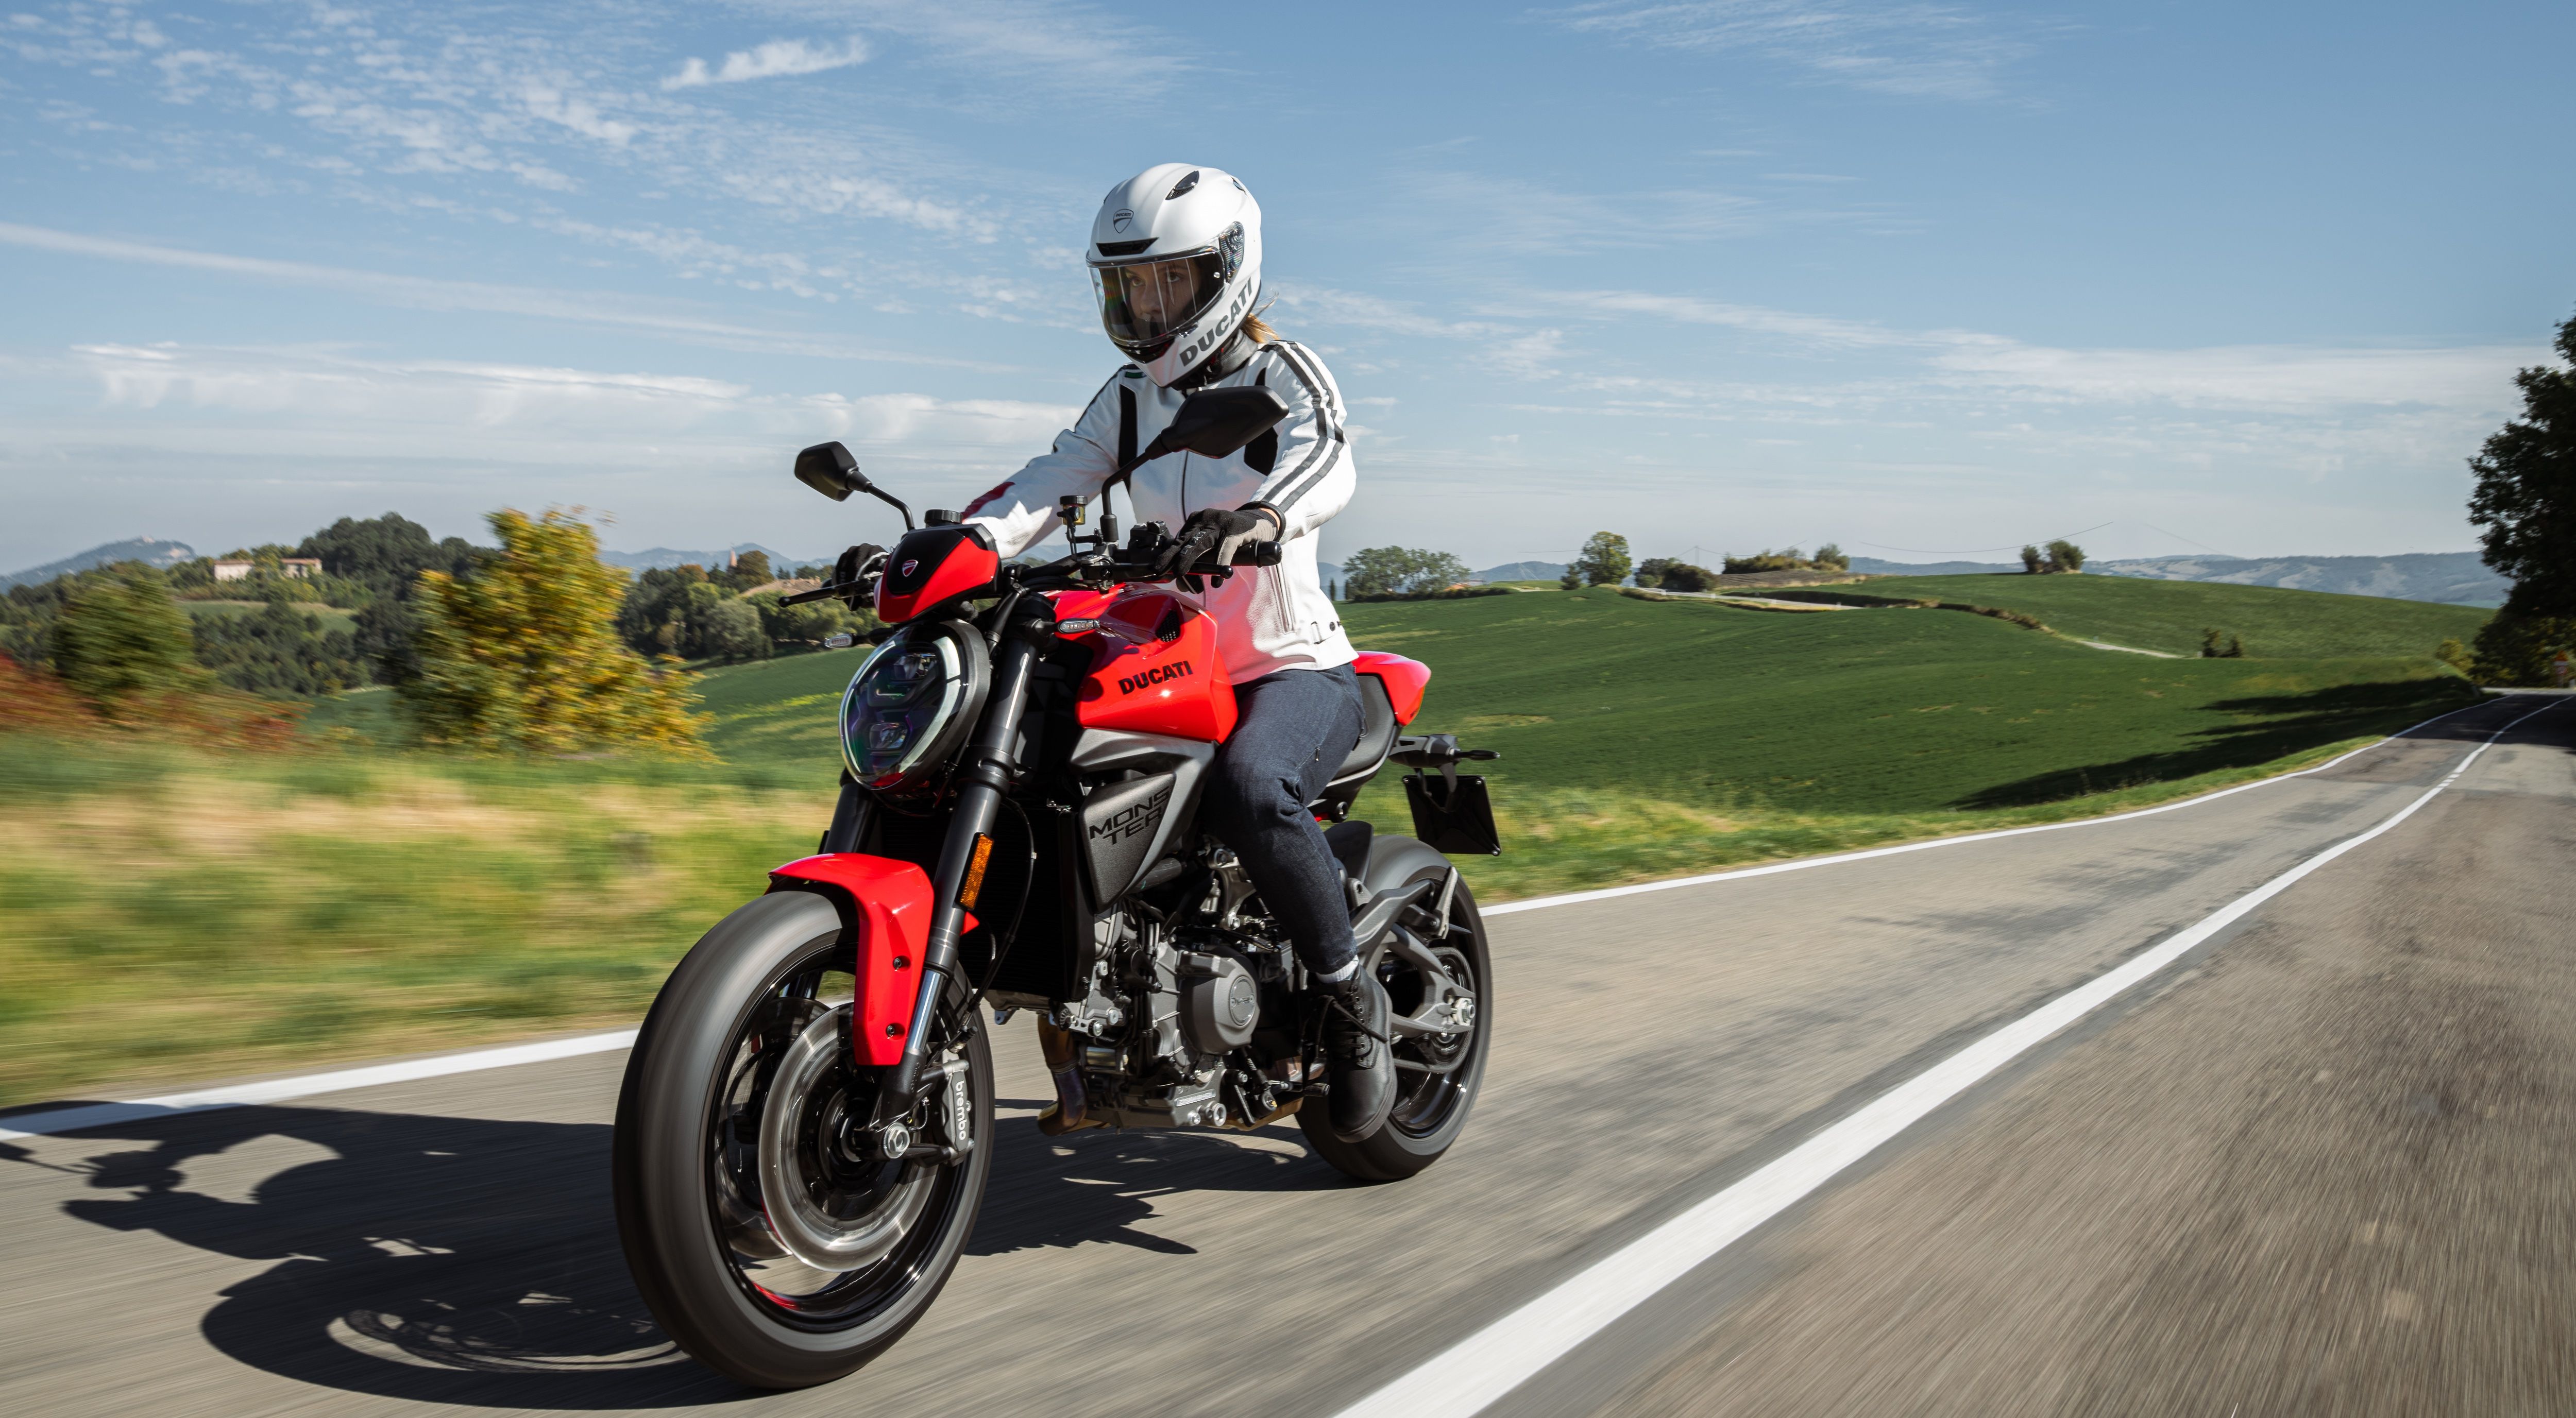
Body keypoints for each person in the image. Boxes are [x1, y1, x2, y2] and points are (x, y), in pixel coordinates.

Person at [958, 162, 1392, 1141]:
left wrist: (1265, 516)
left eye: (1169, 282)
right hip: (1167, 660)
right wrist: (961, 547)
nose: (1147, 306)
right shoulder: (1127, 397)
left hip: (1288, 666)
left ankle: (1350, 1002)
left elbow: (1329, 453)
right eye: (1129, 285)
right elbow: (1049, 478)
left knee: (1253, 786)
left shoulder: (1281, 375)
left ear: (1227, 275)